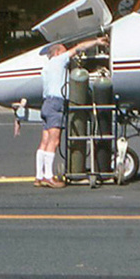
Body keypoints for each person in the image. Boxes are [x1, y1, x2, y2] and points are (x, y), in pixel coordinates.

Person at [34, 36, 105, 188]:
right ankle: (48, 177)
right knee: (54, 141)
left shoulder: (46, 67)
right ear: (58, 52)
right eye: (64, 51)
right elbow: (79, 48)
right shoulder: (59, 60)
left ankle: (39, 176)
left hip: (46, 103)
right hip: (56, 103)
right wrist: (97, 42)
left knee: (44, 141)